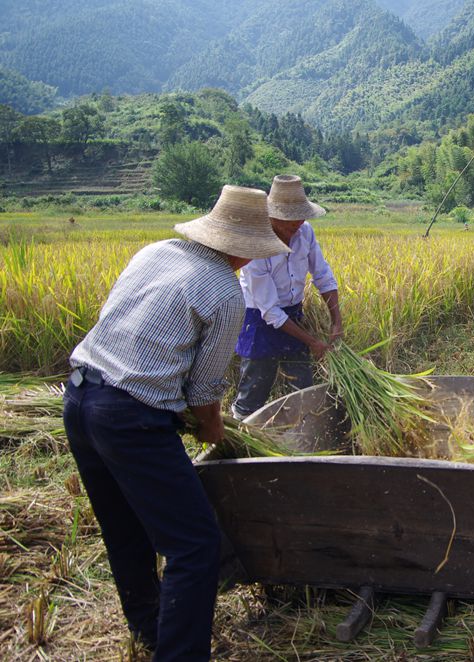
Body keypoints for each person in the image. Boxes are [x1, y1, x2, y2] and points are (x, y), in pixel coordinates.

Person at [62, 185, 290, 660]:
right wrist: (212, 428)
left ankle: (150, 631)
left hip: (80, 400)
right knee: (194, 546)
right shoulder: (226, 291)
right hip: (130, 419)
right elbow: (205, 393)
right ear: (244, 250)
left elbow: (117, 321)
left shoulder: (156, 251)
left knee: (124, 532)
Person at [230, 175, 343, 420]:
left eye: (301, 215)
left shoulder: (305, 232)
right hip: (259, 319)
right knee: (254, 390)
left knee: (303, 389)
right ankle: (242, 436)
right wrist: (312, 341)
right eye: (290, 217)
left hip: (293, 315)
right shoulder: (256, 244)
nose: (298, 222)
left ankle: (303, 434)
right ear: (272, 215)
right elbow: (269, 310)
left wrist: (336, 321)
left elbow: (322, 274)